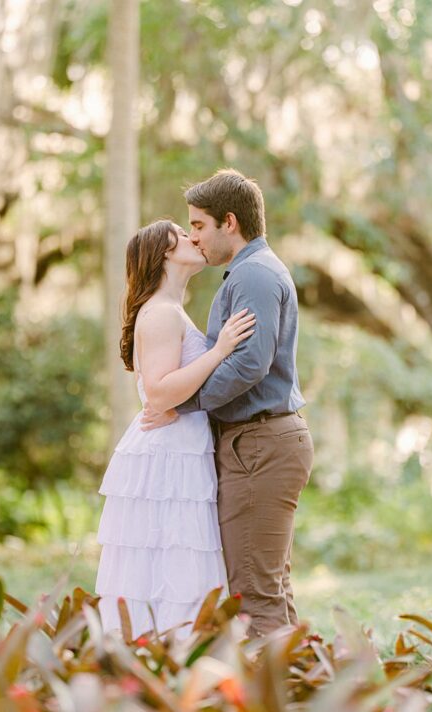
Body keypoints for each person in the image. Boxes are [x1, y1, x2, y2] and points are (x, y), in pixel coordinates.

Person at [142, 169, 313, 638]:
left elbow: (248, 365)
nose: (194, 237)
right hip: (255, 442)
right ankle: (300, 688)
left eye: (198, 225)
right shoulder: (246, 272)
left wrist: (185, 403)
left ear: (229, 222)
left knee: (255, 594)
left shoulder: (254, 275)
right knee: (267, 586)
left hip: (260, 442)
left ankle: (273, 701)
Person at [95, 219, 256, 638]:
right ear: (165, 252)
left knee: (174, 564)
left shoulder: (168, 309)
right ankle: (166, 653)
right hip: (168, 456)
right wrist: (220, 350)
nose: (194, 238)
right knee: (170, 566)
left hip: (177, 446)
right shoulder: (162, 314)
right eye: (183, 235)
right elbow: (160, 394)